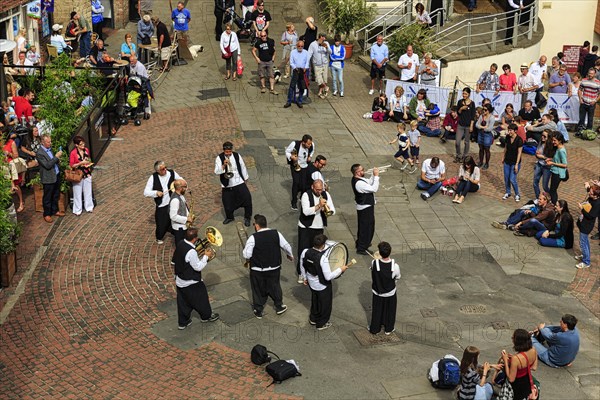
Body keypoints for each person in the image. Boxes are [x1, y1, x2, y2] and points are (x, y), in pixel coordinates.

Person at [243, 214, 294, 318]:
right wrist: (290, 255)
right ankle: (279, 306)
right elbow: (286, 246)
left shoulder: (253, 238)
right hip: (274, 267)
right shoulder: (276, 233)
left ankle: (258, 310)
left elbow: (247, 255)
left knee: (257, 289)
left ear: (257, 226)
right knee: (275, 286)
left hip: (258, 269)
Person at [300, 234, 351, 330]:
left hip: (311, 282)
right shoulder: (323, 259)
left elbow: (302, 265)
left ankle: (313, 318)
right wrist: (341, 269)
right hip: (322, 285)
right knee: (325, 305)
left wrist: (304, 278)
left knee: (315, 300)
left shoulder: (305, 252)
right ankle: (321, 323)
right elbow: (328, 277)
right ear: (323, 245)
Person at [173, 228, 219, 330]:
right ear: (194, 239)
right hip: (191, 281)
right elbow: (197, 267)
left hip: (180, 281)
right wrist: (206, 256)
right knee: (202, 299)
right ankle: (206, 316)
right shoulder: (191, 252)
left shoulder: (180, 243)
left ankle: (183, 322)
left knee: (183, 303)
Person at [296, 179, 335, 284]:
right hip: (306, 227)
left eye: (321, 189)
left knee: (317, 251)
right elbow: (306, 211)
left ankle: (315, 270)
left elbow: (333, 210)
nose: (319, 192)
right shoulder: (306, 195)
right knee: (303, 251)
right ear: (312, 187)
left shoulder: (325, 194)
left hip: (319, 227)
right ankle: (301, 273)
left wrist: (325, 208)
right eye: (317, 189)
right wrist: (319, 206)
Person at [214, 141, 252, 226]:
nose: (228, 154)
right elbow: (216, 172)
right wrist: (223, 165)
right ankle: (230, 217)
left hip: (239, 181)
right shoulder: (219, 158)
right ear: (224, 150)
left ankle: (247, 217)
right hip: (227, 183)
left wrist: (245, 179)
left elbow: (243, 166)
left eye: (230, 152)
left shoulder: (236, 155)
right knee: (227, 202)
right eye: (227, 152)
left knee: (247, 199)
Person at [144, 161, 182, 244]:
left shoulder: (171, 172)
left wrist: (179, 183)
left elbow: (181, 179)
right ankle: (159, 237)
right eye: (162, 169)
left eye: (165, 167)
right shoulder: (153, 177)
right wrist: (156, 193)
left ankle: (176, 232)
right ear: (157, 171)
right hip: (162, 205)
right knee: (161, 224)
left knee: (176, 218)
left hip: (173, 202)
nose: (165, 170)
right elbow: (146, 192)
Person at [368, 241, 400, 335]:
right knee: (390, 310)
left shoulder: (374, 262)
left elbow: (372, 271)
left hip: (377, 292)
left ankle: (375, 328)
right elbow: (398, 277)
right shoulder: (395, 266)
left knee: (377, 310)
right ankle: (388, 329)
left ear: (380, 253)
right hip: (390, 292)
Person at [501, 329, 538, 400]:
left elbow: (511, 379)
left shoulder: (516, 358)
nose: (512, 339)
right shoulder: (533, 349)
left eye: (513, 338)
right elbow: (534, 367)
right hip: (526, 382)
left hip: (517, 386)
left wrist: (505, 360)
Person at [351, 164, 379, 255]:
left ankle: (362, 243)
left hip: (365, 206)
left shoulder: (359, 180)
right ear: (357, 172)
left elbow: (369, 182)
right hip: (365, 207)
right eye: (362, 170)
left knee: (365, 227)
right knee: (366, 228)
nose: (364, 171)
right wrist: (376, 176)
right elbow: (374, 188)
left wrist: (373, 175)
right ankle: (362, 247)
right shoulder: (359, 183)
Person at [36, 135, 64, 223]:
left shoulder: (50, 149)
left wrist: (58, 160)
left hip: (56, 175)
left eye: (50, 141)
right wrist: (56, 157)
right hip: (48, 178)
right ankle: (47, 214)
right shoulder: (40, 153)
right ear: (43, 143)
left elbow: (53, 161)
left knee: (56, 194)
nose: (50, 143)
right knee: (47, 197)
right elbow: (47, 165)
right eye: (48, 142)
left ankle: (55, 210)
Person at [286, 134, 314, 210]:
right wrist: (291, 157)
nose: (310, 145)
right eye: (308, 144)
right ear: (303, 142)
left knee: (304, 183)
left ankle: (302, 196)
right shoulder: (294, 144)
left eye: (310, 143)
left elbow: (312, 151)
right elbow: (287, 151)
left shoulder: (311, 145)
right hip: (296, 166)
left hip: (305, 166)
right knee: (296, 183)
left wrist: (310, 157)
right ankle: (293, 202)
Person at [575, 185, 600, 269]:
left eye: (591, 193)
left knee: (582, 243)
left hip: (587, 225)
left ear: (596, 195)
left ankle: (586, 262)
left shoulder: (597, 204)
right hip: (583, 223)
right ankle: (585, 255)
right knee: (585, 241)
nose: (589, 193)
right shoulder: (593, 198)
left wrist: (582, 208)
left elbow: (591, 216)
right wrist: (588, 187)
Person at [69, 136, 94, 216]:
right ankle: (77, 209)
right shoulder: (73, 153)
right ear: (76, 145)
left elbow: (88, 159)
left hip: (87, 173)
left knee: (88, 191)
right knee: (77, 192)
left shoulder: (86, 150)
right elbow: (72, 165)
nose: (83, 145)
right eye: (81, 144)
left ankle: (89, 207)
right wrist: (80, 163)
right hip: (78, 174)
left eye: (83, 143)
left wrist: (87, 164)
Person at [3, 131, 24, 212]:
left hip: (11, 166)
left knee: (16, 184)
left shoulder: (11, 143)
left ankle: (21, 202)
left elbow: (16, 156)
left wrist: (9, 153)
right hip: (3, 167)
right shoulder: (1, 143)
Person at [284, 40, 309, 108]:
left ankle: (299, 100)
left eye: (302, 46)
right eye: (299, 46)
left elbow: (307, 62)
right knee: (292, 86)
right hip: (296, 70)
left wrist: (305, 68)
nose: (300, 47)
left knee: (302, 87)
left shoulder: (306, 52)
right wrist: (295, 68)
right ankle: (289, 101)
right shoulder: (293, 52)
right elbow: (291, 62)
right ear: (296, 46)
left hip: (303, 71)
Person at [501, 123, 523, 202]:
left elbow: (519, 153)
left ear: (515, 131)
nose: (509, 132)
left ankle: (517, 194)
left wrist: (517, 164)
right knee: (506, 178)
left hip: (514, 162)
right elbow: (506, 148)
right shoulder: (507, 137)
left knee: (512, 179)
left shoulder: (519, 140)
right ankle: (508, 192)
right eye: (508, 130)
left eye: (510, 130)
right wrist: (503, 157)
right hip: (507, 161)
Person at [169, 179, 194, 246]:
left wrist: (189, 214)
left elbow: (184, 207)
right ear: (180, 188)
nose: (186, 189)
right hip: (179, 227)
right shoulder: (175, 200)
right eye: (185, 187)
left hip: (183, 225)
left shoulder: (180, 195)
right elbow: (173, 216)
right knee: (180, 245)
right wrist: (187, 219)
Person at [308, 33, 332, 99]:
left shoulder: (326, 43)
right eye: (323, 37)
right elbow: (309, 54)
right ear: (320, 37)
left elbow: (330, 52)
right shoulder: (313, 44)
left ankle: (320, 92)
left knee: (324, 79)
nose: (324, 39)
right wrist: (306, 63)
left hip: (325, 64)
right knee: (319, 80)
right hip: (317, 65)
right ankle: (326, 87)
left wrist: (326, 47)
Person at [546, 133, 567, 205]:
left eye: (555, 140)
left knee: (553, 190)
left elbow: (564, 164)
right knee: (552, 190)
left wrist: (552, 163)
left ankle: (555, 204)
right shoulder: (558, 148)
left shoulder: (561, 150)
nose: (553, 142)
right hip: (555, 171)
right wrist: (551, 159)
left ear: (560, 141)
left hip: (558, 173)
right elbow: (558, 159)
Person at [456, 87, 475, 163]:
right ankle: (458, 155)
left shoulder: (472, 103)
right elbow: (458, 113)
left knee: (466, 142)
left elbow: (473, 116)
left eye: (465, 94)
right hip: (460, 125)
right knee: (457, 141)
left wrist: (471, 125)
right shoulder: (460, 102)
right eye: (463, 93)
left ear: (469, 94)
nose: (464, 95)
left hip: (468, 125)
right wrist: (461, 109)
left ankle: (465, 156)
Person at [577, 68, 600, 133]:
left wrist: (595, 101)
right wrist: (580, 98)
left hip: (592, 103)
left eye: (592, 74)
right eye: (589, 73)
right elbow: (580, 90)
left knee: (590, 119)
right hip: (583, 102)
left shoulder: (598, 83)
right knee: (581, 118)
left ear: (595, 74)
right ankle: (580, 131)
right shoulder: (584, 80)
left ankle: (589, 132)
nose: (590, 75)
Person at [532, 130, 553, 199]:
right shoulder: (540, 143)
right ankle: (538, 198)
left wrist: (543, 157)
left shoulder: (551, 146)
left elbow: (552, 158)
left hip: (547, 167)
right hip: (539, 164)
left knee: (545, 186)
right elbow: (537, 153)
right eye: (542, 135)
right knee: (535, 182)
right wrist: (537, 154)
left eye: (545, 136)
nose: (542, 137)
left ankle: (551, 197)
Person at [476, 103, 495, 169]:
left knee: (487, 149)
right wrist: (483, 127)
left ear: (489, 110)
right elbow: (476, 125)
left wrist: (481, 127)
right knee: (481, 149)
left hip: (487, 135)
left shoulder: (492, 118)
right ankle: (481, 162)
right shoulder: (481, 116)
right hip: (480, 134)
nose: (484, 111)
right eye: (483, 109)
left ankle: (487, 163)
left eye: (485, 110)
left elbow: (489, 129)